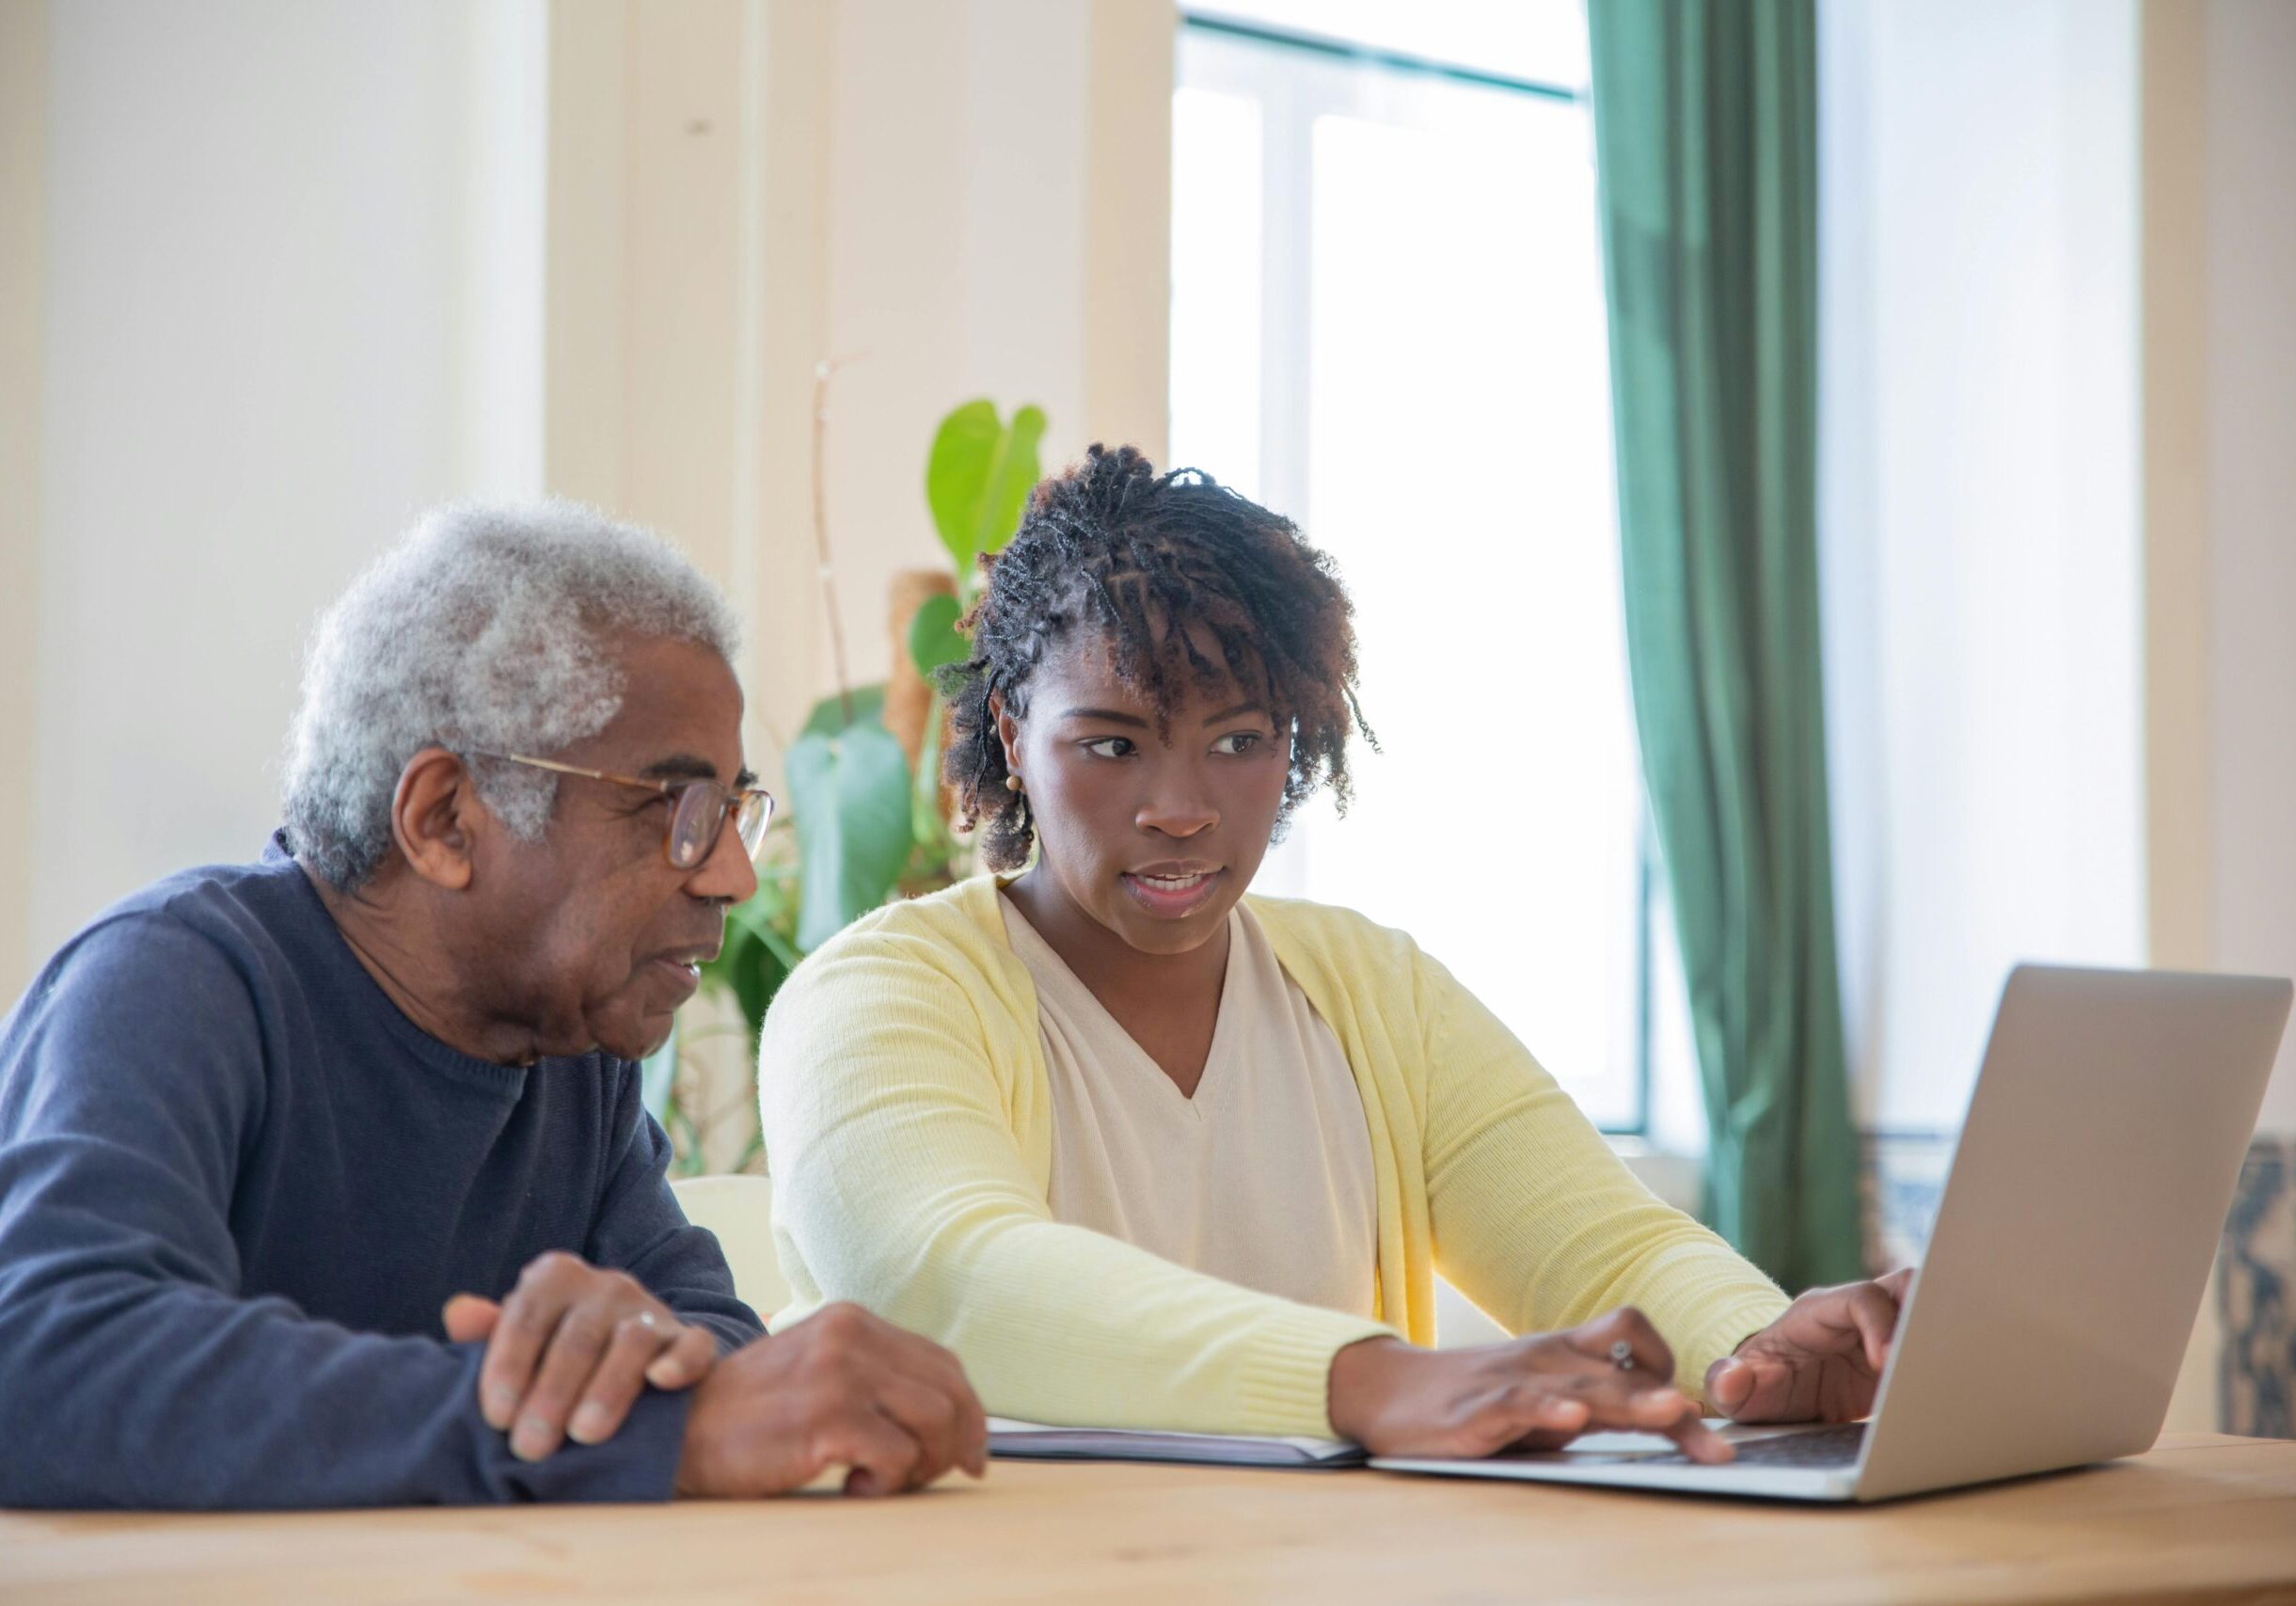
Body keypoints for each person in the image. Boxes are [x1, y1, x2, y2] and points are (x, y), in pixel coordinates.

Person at [760, 447, 1912, 1462]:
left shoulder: (1374, 991)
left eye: (1239, 742)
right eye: (1110, 744)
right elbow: (948, 1279)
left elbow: (1600, 1246)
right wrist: (1368, 1380)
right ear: (1011, 733)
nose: (1181, 808)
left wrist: (1754, 1355)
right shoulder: (877, 998)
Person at [0, 503, 984, 1508]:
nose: (731, 873)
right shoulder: (175, 982)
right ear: (443, 820)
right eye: (678, 810)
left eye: (733, 811)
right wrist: (600, 1432)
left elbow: (708, 1342)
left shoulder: (571, 1052)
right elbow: (45, 1360)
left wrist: (638, 1364)